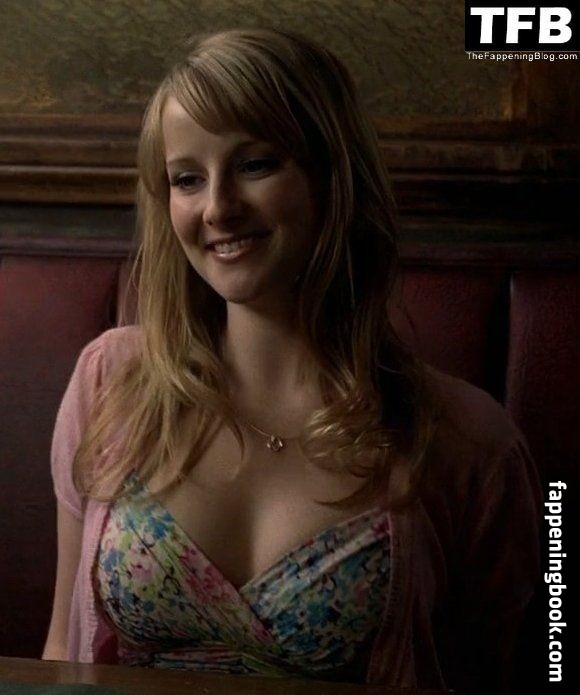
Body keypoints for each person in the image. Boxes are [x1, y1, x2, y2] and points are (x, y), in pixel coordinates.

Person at [42, 27, 542, 693]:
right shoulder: (109, 382)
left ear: (333, 177)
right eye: (187, 179)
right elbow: (61, 648)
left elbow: (523, 672)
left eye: (255, 165)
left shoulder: (469, 442)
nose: (218, 208)